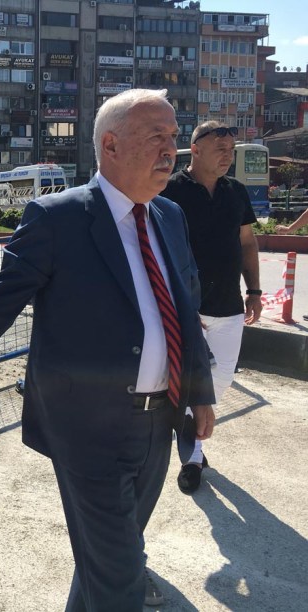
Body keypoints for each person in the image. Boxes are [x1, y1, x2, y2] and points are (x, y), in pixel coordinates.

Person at [0, 89, 215, 611]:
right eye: (156, 136)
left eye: (174, 136)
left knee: (104, 561)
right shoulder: (57, 218)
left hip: (160, 423)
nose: (170, 149)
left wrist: (200, 392)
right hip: (89, 429)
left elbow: (185, 308)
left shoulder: (169, 217)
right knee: (120, 577)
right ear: (111, 145)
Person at [161, 121, 262, 494]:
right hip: (187, 308)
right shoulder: (169, 190)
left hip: (229, 306)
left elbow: (247, 242)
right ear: (195, 149)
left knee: (219, 382)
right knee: (193, 385)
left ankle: (191, 440)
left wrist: (255, 290)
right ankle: (192, 458)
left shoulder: (236, 192)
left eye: (231, 150)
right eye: (220, 148)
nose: (227, 156)